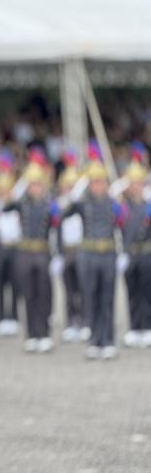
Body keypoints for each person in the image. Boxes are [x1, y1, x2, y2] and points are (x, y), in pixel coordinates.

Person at [64, 145, 126, 360]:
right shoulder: (82, 204)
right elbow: (65, 211)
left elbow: (123, 225)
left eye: (100, 182)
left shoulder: (114, 204)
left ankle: (107, 339)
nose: (97, 186)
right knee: (90, 297)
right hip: (88, 255)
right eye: (93, 182)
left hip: (108, 254)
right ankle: (94, 339)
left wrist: (124, 252)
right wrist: (78, 186)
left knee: (107, 298)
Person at [4, 150, 59, 353]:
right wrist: (21, 181)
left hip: (43, 252)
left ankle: (44, 333)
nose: (35, 188)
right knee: (28, 294)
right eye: (32, 184)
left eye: (38, 184)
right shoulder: (21, 203)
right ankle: (31, 334)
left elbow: (57, 225)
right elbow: (5, 204)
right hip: (25, 253)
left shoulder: (49, 204)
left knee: (44, 294)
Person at [120, 145, 151, 348]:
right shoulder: (122, 206)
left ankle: (147, 327)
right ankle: (134, 327)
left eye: (139, 183)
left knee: (147, 292)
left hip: (147, 254)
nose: (135, 187)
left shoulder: (148, 206)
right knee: (131, 293)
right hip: (130, 255)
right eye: (132, 184)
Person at [57, 152, 86, 343]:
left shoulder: (82, 205)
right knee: (68, 290)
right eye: (67, 186)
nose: (69, 189)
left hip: (81, 250)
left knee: (83, 288)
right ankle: (70, 322)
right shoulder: (59, 205)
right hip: (66, 251)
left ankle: (84, 321)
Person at [0, 154, 22, 337]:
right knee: (1, 285)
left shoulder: (17, 206)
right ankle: (2, 317)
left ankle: (15, 317)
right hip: (1, 249)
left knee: (16, 284)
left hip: (15, 248)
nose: (5, 194)